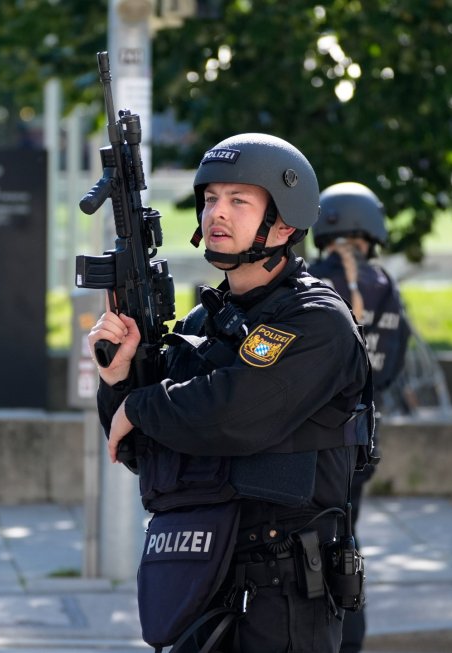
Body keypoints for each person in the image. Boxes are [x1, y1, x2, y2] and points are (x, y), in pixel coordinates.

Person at [88, 133, 373, 652]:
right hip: (199, 576)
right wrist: (119, 380)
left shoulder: (316, 321)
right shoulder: (205, 322)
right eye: (211, 198)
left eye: (239, 200)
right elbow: (137, 449)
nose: (217, 213)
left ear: (284, 222)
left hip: (282, 595)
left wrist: (140, 405)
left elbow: (234, 414)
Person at [308, 181, 411, 653]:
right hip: (362, 446)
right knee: (345, 542)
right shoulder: (387, 287)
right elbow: (391, 369)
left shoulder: (308, 281)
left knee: (297, 550)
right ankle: (350, 640)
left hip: (308, 447)